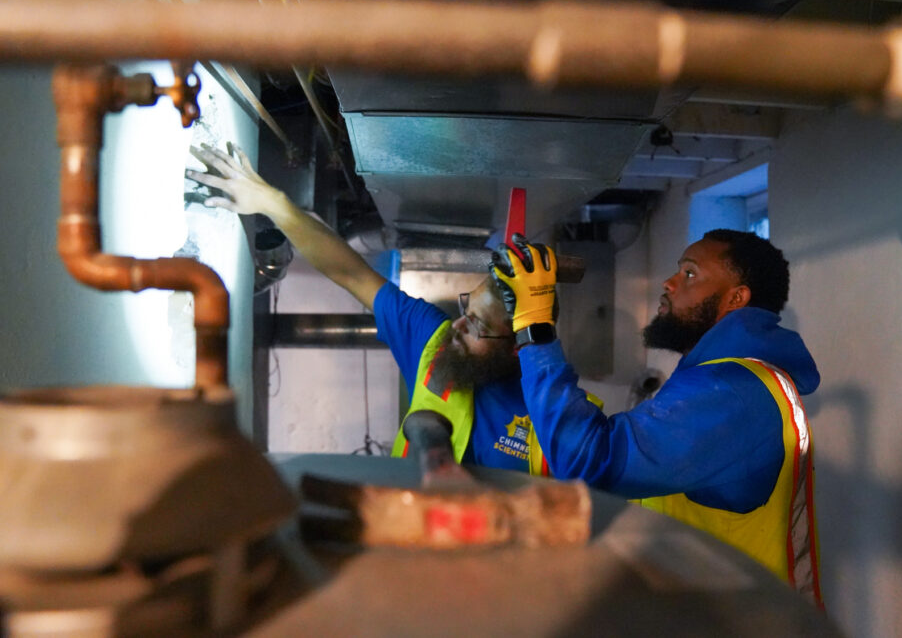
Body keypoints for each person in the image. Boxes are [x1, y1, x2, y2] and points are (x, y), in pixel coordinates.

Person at [185, 143, 565, 475]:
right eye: (467, 306)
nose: (459, 323)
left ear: (519, 347)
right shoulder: (434, 340)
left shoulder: (558, 420)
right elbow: (351, 273)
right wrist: (272, 203)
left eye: (479, 325)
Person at [490, 230, 823, 605]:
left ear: (736, 298)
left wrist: (535, 327)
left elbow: (591, 462)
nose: (670, 282)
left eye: (690, 273)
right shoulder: (720, 380)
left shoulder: (733, 392)